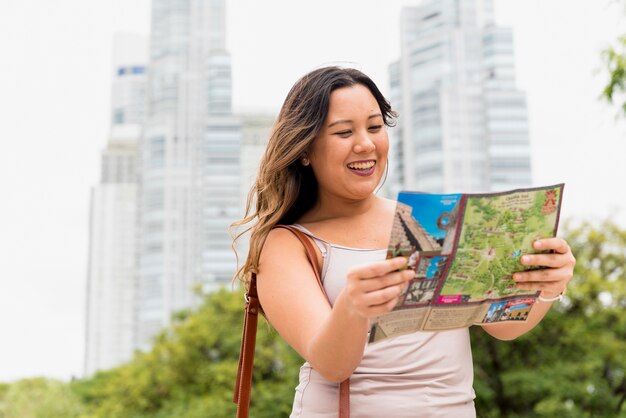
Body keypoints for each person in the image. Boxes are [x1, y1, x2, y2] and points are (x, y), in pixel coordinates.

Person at [232, 66, 576, 417]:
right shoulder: (287, 244)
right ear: (305, 149)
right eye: (344, 132)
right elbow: (332, 365)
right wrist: (352, 306)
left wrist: (548, 285)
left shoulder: (423, 221)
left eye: (375, 126)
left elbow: (502, 325)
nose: (365, 144)